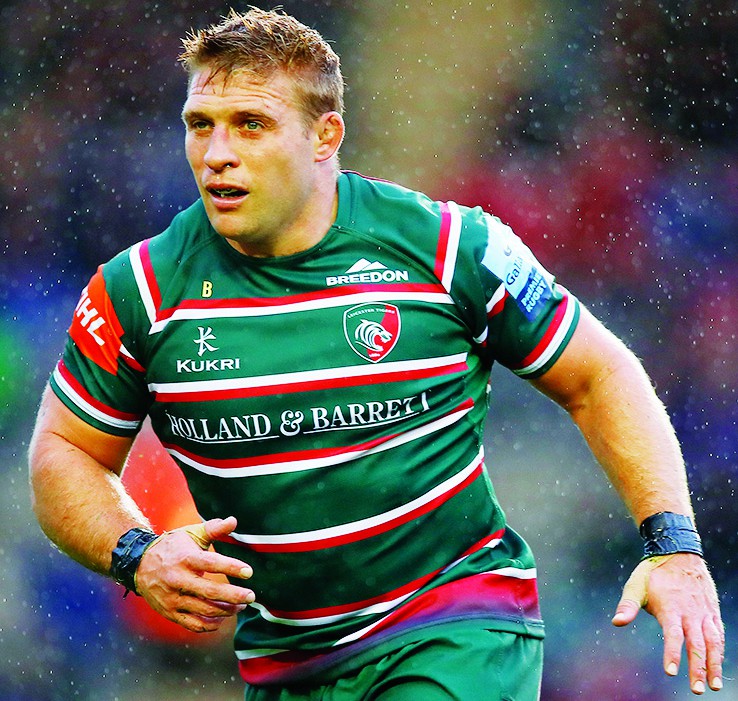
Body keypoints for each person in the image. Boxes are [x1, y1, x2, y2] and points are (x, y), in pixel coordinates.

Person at [29, 8, 723, 700]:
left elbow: (599, 374)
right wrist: (137, 553)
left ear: (325, 135)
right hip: (288, 663)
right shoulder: (140, 291)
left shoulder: (448, 247)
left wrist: (674, 545)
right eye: (200, 124)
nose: (217, 153)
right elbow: (64, 451)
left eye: (251, 124)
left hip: (454, 624)